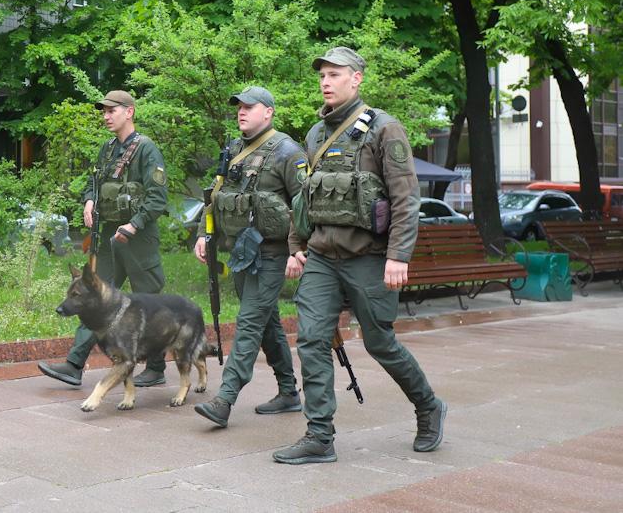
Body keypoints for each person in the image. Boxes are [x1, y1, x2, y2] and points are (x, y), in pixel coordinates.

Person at [272, 48, 447, 465]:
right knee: (312, 340)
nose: (325, 82)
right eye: (322, 76)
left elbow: (406, 197)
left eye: (334, 74)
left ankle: (428, 406)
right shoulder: (316, 135)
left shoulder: (385, 129)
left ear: (357, 79)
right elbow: (306, 199)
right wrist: (297, 247)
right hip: (321, 258)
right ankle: (319, 436)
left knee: (380, 342)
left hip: (369, 256)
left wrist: (399, 255)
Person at [38, 90, 169, 387]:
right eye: (104, 111)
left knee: (150, 303)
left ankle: (157, 368)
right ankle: (74, 364)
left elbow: (157, 197)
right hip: (110, 237)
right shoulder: (108, 149)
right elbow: (93, 183)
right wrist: (88, 200)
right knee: (93, 297)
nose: (106, 116)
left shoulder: (147, 150)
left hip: (138, 239)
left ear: (130, 112)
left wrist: (134, 225)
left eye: (112, 110)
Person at [192, 86, 305, 428]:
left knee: (250, 321)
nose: (241, 112)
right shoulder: (233, 150)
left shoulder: (287, 151)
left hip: (273, 253)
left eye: (249, 107)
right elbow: (215, 195)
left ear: (268, 112)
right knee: (267, 321)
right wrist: (203, 233)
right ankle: (288, 392)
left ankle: (225, 399)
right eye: (239, 107)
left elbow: (305, 204)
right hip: (243, 252)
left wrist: (297, 251)